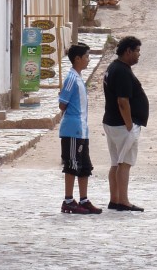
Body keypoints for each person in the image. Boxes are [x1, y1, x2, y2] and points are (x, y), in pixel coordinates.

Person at [103, 35, 149, 212]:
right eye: (137, 51)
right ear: (128, 51)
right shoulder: (121, 71)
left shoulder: (114, 67)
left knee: (116, 162)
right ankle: (123, 200)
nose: (138, 55)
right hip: (122, 125)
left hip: (112, 122)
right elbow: (123, 101)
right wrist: (129, 124)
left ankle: (114, 199)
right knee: (124, 163)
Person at [58, 42, 102, 214]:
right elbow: (62, 104)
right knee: (72, 164)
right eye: (86, 57)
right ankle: (68, 199)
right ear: (77, 59)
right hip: (72, 129)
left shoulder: (78, 78)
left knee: (84, 165)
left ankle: (83, 199)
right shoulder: (71, 79)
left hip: (82, 129)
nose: (88, 60)